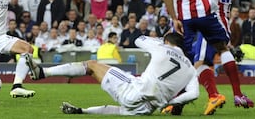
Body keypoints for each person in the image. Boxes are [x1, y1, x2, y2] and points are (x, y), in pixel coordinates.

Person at [24, 33, 199, 116]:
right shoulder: (191, 68)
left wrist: (158, 40)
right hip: (148, 109)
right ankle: (81, 111)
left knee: (92, 65)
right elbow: (194, 94)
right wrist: (169, 102)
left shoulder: (162, 46)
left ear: (167, 42)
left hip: (135, 90)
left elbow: (137, 39)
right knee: (123, 110)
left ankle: (42, 72)